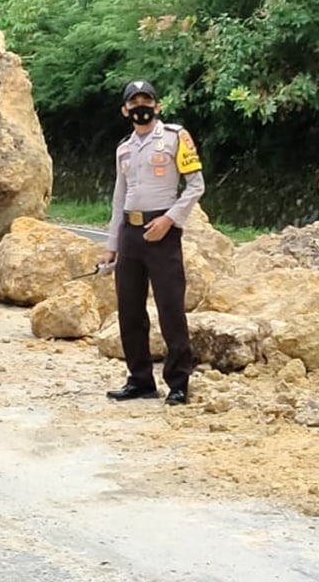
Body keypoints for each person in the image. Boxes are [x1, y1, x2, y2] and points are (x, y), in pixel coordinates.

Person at [97, 80, 205, 406]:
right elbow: (119, 198)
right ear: (125, 110)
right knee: (129, 310)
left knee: (170, 308)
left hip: (163, 231)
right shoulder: (124, 148)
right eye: (134, 101)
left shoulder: (175, 137)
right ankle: (140, 379)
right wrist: (111, 245)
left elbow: (195, 185)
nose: (140, 106)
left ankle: (178, 382)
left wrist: (170, 219)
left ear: (157, 106)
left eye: (147, 100)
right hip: (131, 233)